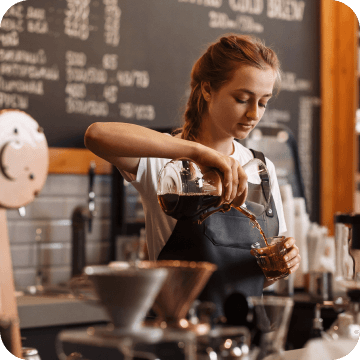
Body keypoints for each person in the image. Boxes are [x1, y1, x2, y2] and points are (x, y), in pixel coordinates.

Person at [84, 33, 301, 319]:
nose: (253, 114)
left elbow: (259, 276)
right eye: (242, 99)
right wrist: (197, 153)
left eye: (262, 102)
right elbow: (96, 135)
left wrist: (282, 263)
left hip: (245, 335)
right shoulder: (166, 162)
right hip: (179, 331)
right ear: (208, 90)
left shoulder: (261, 168)